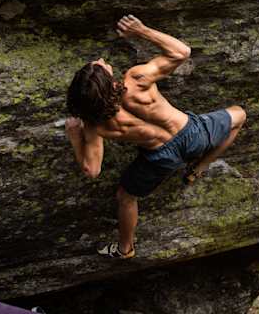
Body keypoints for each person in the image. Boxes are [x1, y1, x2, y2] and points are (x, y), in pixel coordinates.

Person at [64, 15, 246, 259]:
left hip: (160, 158)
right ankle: (199, 167)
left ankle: (125, 248)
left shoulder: (94, 126)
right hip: (193, 135)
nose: (102, 60)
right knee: (239, 115)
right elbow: (181, 52)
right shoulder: (136, 80)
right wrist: (141, 30)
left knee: (125, 197)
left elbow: (91, 169)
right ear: (108, 82)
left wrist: (75, 136)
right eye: (101, 66)